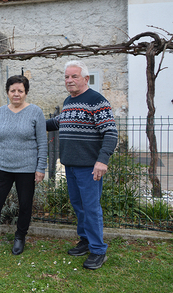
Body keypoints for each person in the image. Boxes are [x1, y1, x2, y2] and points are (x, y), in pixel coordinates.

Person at [46, 60, 118, 270]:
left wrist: (102, 160)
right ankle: (86, 241)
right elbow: (58, 122)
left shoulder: (97, 100)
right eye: (67, 77)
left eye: (74, 76)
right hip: (70, 165)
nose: (69, 80)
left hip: (90, 167)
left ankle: (98, 250)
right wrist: (31, 120)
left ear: (86, 79)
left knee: (91, 208)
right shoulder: (69, 101)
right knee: (79, 206)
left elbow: (110, 132)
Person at [0, 75, 47, 256]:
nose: (16, 94)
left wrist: (40, 168)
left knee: (24, 205)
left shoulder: (35, 112)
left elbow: (42, 143)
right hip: (2, 167)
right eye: (12, 90)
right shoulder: (0, 113)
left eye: (20, 91)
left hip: (27, 169)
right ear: (7, 92)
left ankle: (19, 238)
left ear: (26, 92)